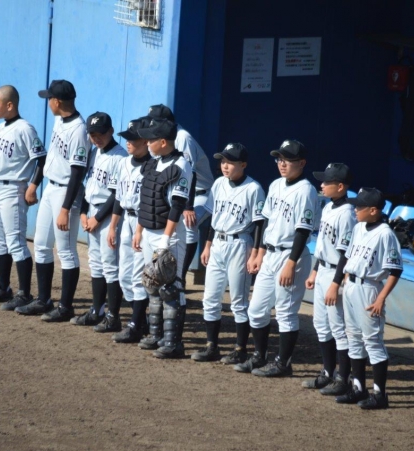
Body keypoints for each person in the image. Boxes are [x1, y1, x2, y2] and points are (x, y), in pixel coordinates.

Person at [234, 140, 318, 377]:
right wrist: (259, 253)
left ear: (301, 163)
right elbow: (267, 222)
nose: (282, 164)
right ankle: (259, 356)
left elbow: (303, 230)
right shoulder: (275, 185)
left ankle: (283, 363)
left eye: (288, 160)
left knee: (285, 312)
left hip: (291, 256)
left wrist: (291, 263)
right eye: (279, 159)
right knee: (256, 310)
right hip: (270, 254)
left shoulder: (306, 191)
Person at [15, 80, 90, 322]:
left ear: (57, 101)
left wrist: (65, 208)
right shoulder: (60, 120)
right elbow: (52, 156)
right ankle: (44, 300)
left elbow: (77, 172)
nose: (47, 102)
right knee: (41, 244)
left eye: (49, 99)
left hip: (66, 193)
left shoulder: (79, 130)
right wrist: (36, 184)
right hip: (51, 188)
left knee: (66, 251)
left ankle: (65, 307)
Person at [190, 143, 265, 364]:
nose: (224, 166)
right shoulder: (219, 184)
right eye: (223, 161)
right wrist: (207, 245)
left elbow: (260, 224)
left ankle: (240, 349)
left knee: (238, 301)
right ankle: (211, 346)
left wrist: (255, 253)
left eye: (230, 162)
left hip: (240, 244)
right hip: (218, 244)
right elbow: (213, 218)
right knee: (210, 298)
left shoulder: (254, 188)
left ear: (243, 164)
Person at [0, 85, 46, 311]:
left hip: (14, 190)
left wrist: (32, 186)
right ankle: (3, 288)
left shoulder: (25, 129)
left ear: (9, 105)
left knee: (16, 242)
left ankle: (24, 294)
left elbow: (41, 159)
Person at [131, 118, 193, 359]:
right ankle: (156, 335)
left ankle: (173, 342)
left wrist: (165, 241)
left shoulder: (181, 165)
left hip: (170, 235)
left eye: (151, 139)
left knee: (171, 287)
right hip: (148, 230)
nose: (147, 143)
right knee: (152, 284)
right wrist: (139, 230)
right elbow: (146, 201)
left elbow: (177, 206)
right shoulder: (153, 163)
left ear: (163, 141)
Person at [339, 187, 403, 410]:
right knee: (353, 338)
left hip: (370, 289)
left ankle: (380, 395)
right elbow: (349, 257)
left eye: (360, 206)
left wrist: (381, 298)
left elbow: (395, 270)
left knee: (373, 341)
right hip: (351, 287)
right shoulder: (358, 227)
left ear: (373, 210)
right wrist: (346, 280)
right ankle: (358, 388)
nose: (355, 209)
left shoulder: (386, 234)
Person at [69, 112, 126, 332]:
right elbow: (89, 186)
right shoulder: (94, 152)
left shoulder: (119, 157)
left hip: (109, 215)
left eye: (100, 133)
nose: (96, 138)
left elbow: (116, 195)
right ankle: (97, 311)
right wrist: (84, 213)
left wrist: (97, 218)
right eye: (92, 134)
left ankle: (113, 317)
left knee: (110, 267)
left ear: (111, 131)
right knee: (96, 264)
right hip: (92, 212)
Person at [302, 163, 356, 395]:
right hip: (323, 269)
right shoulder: (328, 208)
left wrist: (335, 283)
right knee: (321, 325)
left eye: (327, 182)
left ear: (340, 186)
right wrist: (315, 271)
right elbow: (324, 244)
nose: (322, 185)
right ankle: (327, 372)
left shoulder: (348, 214)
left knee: (338, 328)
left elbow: (346, 253)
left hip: (337, 274)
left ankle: (343, 378)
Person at [147, 105, 214, 286]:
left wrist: (188, 207)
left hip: (201, 193)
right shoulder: (160, 138)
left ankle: (180, 277)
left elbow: (190, 173)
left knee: (188, 224)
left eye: (155, 121)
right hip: (179, 191)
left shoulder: (182, 137)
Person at [106, 117, 152, 343]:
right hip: (126, 220)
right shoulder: (124, 163)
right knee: (124, 277)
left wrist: (140, 230)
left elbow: (149, 202)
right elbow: (118, 196)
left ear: (145, 141)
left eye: (133, 139)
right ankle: (141, 322)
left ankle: (135, 325)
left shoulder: (152, 166)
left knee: (137, 277)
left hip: (143, 223)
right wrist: (112, 225)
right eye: (127, 138)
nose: (128, 143)